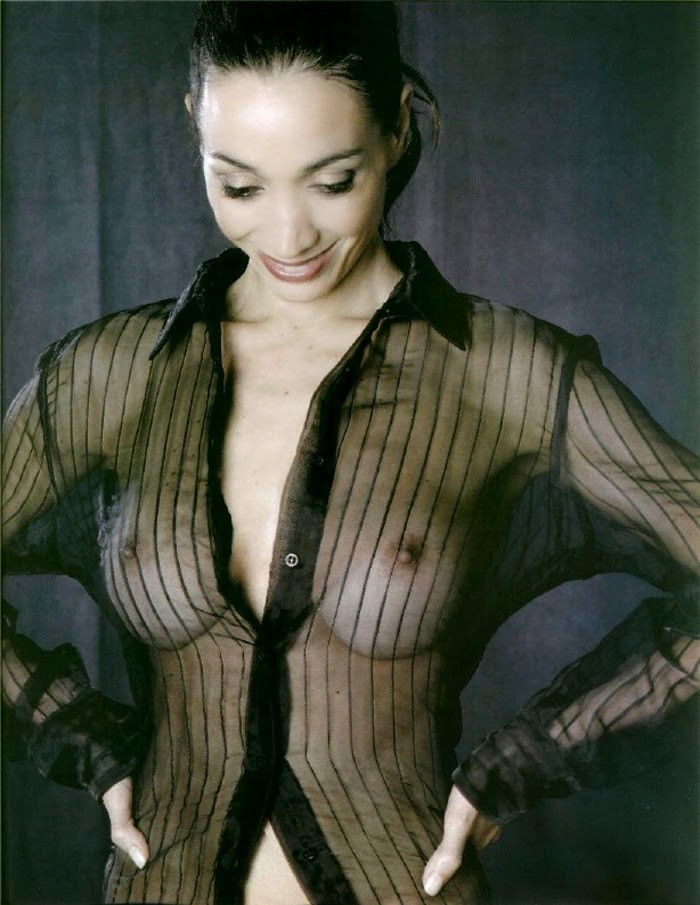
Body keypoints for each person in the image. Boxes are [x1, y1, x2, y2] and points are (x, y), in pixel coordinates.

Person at [2, 2, 698, 904]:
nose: (289, 237)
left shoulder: (507, 373)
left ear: (397, 126)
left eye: (333, 182)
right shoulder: (106, 376)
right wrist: (75, 733)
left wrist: (532, 757)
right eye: (240, 187)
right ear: (195, 126)